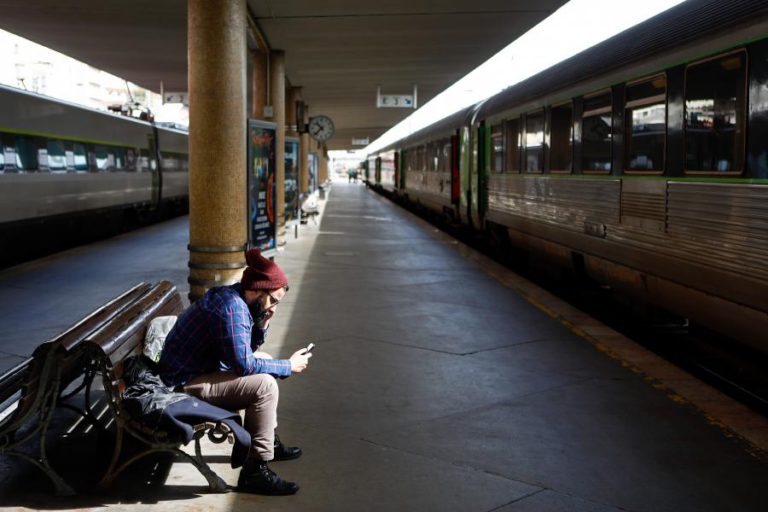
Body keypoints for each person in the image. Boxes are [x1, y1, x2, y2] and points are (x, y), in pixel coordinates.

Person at [158, 248, 312, 495]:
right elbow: (244, 365)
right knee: (265, 385)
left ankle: (268, 443)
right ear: (256, 290)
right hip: (182, 384)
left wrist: (264, 319)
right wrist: (288, 366)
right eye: (272, 300)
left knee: (265, 360)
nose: (274, 307)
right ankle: (254, 471)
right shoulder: (232, 307)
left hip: (199, 371)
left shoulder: (238, 299)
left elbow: (248, 351)